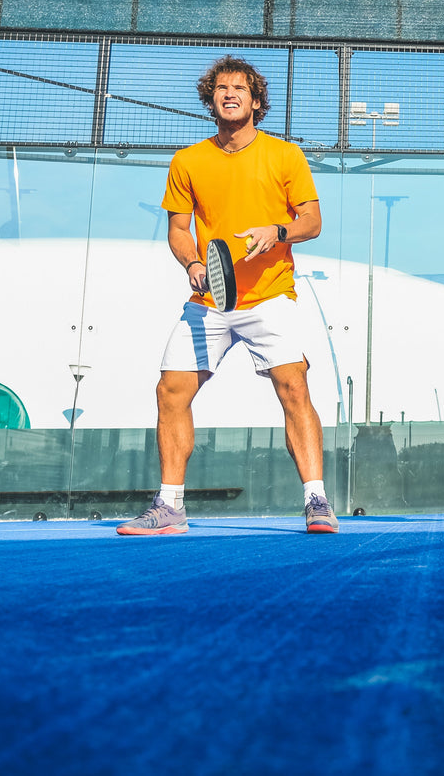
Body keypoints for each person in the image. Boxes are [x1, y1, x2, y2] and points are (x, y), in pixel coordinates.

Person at [118, 55, 337, 535]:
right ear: (211, 99)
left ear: (256, 101)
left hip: (270, 297)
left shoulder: (285, 156)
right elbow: (179, 231)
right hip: (209, 302)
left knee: (294, 387)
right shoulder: (188, 161)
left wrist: (277, 231)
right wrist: (194, 263)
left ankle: (317, 501)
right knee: (170, 391)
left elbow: (312, 222)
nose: (229, 93)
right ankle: (170, 508)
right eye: (221, 88)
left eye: (240, 87)